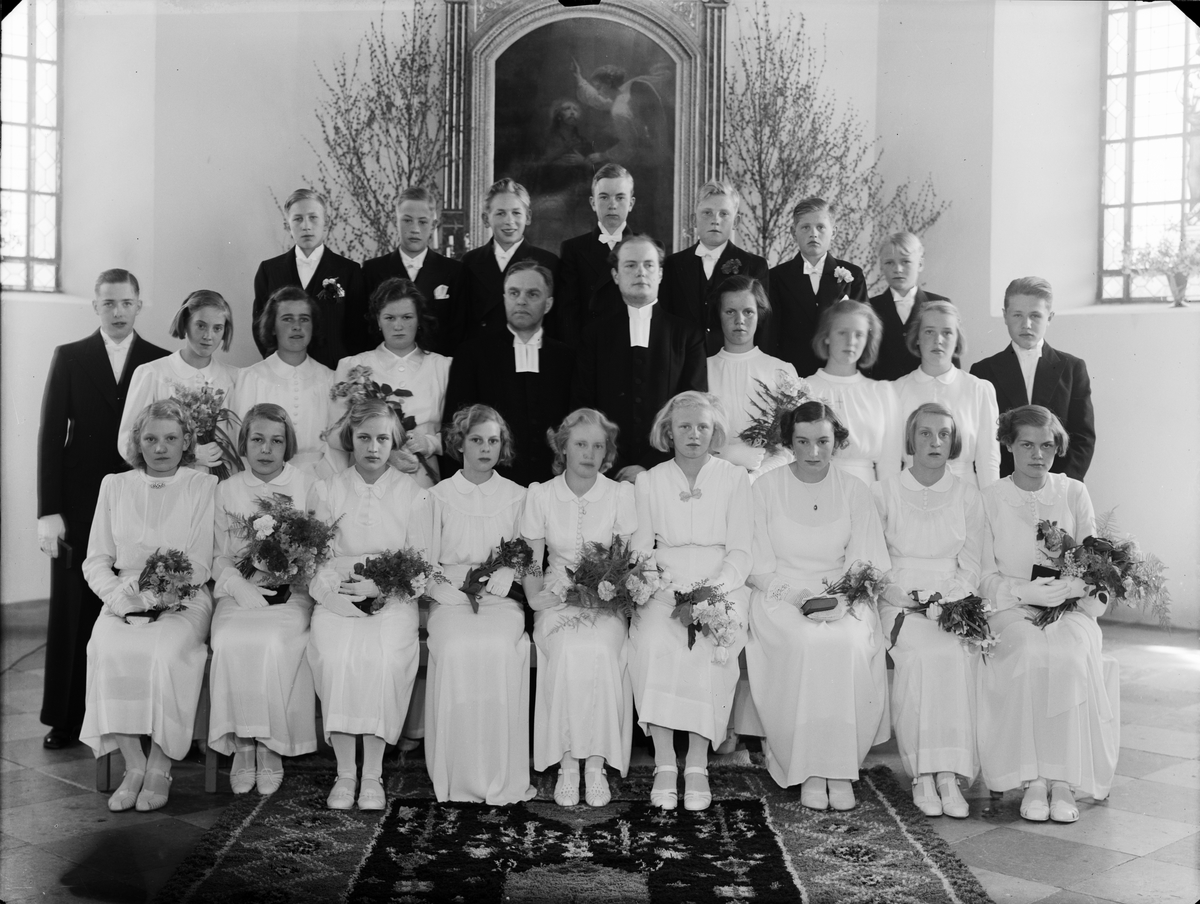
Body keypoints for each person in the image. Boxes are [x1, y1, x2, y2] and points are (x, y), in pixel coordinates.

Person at [36, 269, 170, 750]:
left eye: (126, 303)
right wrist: (48, 511)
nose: (118, 312)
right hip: (80, 500)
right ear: (95, 306)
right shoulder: (70, 356)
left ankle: (140, 719)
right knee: (74, 606)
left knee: (139, 598)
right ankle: (66, 717)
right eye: (109, 303)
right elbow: (51, 434)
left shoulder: (159, 360)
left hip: (139, 495)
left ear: (139, 305)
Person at [744, 401, 891, 809]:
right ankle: (807, 768)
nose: (813, 452)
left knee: (845, 643)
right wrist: (797, 598)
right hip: (780, 596)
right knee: (805, 643)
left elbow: (865, 560)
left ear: (836, 442)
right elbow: (757, 566)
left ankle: (839, 768)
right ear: (789, 442)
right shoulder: (765, 488)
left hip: (842, 594)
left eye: (823, 441)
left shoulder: (854, 490)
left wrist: (842, 599)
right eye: (803, 441)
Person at [977, 405, 1116, 823]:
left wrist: (1073, 588)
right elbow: (981, 573)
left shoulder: (1073, 492)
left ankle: (1063, 780)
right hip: (1011, 606)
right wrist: (1021, 591)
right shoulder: (990, 498)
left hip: (1070, 607)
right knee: (1028, 651)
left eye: (1048, 446)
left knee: (1069, 656)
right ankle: (1032, 779)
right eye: (1027, 445)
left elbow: (1094, 561)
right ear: (1008, 445)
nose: (1038, 455)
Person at [81, 399, 217, 812]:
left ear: (186, 442)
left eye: (171, 438)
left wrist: (157, 596)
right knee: (107, 649)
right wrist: (120, 598)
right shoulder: (114, 485)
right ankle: (134, 765)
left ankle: (160, 766)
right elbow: (96, 559)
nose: (160, 448)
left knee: (164, 652)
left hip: (184, 596)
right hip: (123, 595)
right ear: (137, 442)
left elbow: (199, 562)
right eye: (151, 439)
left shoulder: (201, 485)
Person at [629, 393, 753, 811]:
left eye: (702, 426)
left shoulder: (734, 478)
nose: (694, 434)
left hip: (722, 582)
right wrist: (658, 584)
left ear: (714, 431)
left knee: (708, 648)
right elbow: (641, 547)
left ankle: (697, 764)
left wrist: (716, 589)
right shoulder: (650, 481)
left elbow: (742, 549)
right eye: (684, 426)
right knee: (653, 641)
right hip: (664, 584)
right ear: (668, 431)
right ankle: (665, 762)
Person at [306, 399, 432, 810]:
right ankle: (346, 772)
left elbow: (421, 564)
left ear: (394, 441)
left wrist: (381, 586)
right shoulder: (326, 489)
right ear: (351, 440)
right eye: (364, 438)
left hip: (392, 595)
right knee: (337, 655)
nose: (373, 447)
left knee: (384, 657)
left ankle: (373, 773)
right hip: (338, 591)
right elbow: (315, 560)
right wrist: (332, 596)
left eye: (382, 438)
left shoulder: (413, 494)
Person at [519, 409, 637, 807]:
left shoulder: (620, 495)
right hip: (555, 596)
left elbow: (625, 561)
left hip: (605, 600)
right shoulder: (541, 494)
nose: (589, 453)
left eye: (598, 446)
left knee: (600, 650)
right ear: (563, 448)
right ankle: (569, 764)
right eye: (581, 444)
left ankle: (596, 764)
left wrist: (605, 592)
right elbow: (530, 559)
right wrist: (534, 596)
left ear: (607, 452)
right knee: (568, 650)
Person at [873, 403, 984, 818]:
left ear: (953, 442)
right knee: (921, 656)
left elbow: (972, 564)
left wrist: (949, 599)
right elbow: (874, 559)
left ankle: (949, 774)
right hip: (897, 600)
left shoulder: (967, 494)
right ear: (911, 439)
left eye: (943, 434)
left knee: (953, 653)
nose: (935, 442)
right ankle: (922, 772)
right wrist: (903, 595)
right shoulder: (883, 491)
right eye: (925, 433)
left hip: (951, 598)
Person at [423, 405, 537, 804]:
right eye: (476, 440)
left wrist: (512, 569)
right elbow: (422, 557)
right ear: (460, 443)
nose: (485, 448)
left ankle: (499, 775)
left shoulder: (519, 496)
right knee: (456, 648)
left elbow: (531, 555)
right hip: (451, 597)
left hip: (500, 599)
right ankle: (458, 776)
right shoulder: (437, 496)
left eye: (493, 440)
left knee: (498, 649)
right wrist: (437, 586)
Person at [208, 404, 318, 796]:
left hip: (291, 591)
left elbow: (318, 547)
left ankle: (270, 745)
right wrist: (236, 584)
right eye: (257, 439)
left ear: (288, 445)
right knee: (229, 641)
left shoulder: (306, 484)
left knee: (272, 643)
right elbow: (217, 554)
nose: (266, 449)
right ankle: (242, 743)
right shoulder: (227, 489)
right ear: (244, 444)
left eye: (276, 441)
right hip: (241, 590)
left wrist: (293, 568)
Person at [573, 235, 707, 482]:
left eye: (648, 265)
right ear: (615, 275)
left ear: (660, 274)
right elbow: (584, 406)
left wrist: (649, 466)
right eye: (630, 265)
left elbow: (693, 409)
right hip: (606, 471)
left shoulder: (687, 335)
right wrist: (615, 465)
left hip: (669, 470)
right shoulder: (594, 335)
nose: (640, 272)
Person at [444, 261, 574, 487]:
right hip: (489, 488)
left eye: (532, 294)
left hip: (554, 487)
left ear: (548, 304)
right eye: (514, 293)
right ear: (504, 298)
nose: (521, 301)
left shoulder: (567, 358)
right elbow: (456, 431)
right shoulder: (473, 354)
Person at [970, 277, 1095, 480]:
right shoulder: (983, 371)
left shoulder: (1072, 369)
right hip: (1003, 484)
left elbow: (1083, 437)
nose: (1026, 324)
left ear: (1050, 317)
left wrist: (1060, 486)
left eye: (1035, 315)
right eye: (1017, 315)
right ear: (1005, 316)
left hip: (1057, 484)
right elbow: (979, 440)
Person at [330, 278, 451, 488]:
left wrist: (431, 443)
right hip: (368, 481)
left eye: (407, 317)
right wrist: (383, 448)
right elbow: (335, 435)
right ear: (378, 320)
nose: (398, 326)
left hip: (424, 481)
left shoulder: (443, 367)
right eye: (389, 317)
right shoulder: (354, 366)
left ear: (419, 319)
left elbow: (460, 433)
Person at [118, 290, 240, 472]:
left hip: (221, 481)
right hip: (167, 480)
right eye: (201, 326)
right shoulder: (152, 373)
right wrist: (188, 454)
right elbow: (127, 442)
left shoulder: (233, 378)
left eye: (217, 328)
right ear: (185, 324)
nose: (208, 336)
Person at [251, 188, 364, 367]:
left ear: (326, 223)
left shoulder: (349, 270)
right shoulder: (269, 270)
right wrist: (276, 362)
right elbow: (260, 326)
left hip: (334, 371)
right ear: (288, 225)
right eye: (298, 219)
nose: (306, 226)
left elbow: (357, 329)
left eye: (313, 217)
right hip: (285, 369)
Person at [894, 301, 1001, 489]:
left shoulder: (979, 389)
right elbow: (890, 459)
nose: (938, 340)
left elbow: (988, 459)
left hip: (964, 492)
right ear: (917, 337)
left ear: (957, 339)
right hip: (910, 491)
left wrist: (991, 502)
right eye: (929, 331)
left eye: (947, 332)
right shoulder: (896, 390)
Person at [232, 287, 335, 478]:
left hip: (320, 479)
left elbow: (337, 448)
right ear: (272, 326)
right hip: (264, 478)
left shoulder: (329, 379)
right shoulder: (251, 378)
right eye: (287, 319)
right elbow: (240, 443)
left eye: (304, 319)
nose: (297, 326)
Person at [659, 180, 769, 353]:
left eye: (724, 214)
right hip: (685, 359)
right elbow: (665, 321)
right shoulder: (673, 264)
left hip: (733, 359)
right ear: (694, 219)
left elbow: (762, 325)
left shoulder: (754, 265)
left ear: (736, 221)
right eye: (707, 213)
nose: (715, 220)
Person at [705, 276, 798, 476]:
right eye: (730, 311)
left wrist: (758, 475)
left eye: (748, 312)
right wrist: (723, 454)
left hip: (769, 480)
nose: (739, 320)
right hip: (713, 477)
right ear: (719, 314)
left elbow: (791, 443)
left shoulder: (781, 370)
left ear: (759, 314)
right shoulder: (703, 369)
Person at [767, 197, 868, 377]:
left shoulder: (853, 275)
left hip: (837, 371)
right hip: (792, 374)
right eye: (805, 227)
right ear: (793, 233)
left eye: (820, 227)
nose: (813, 234)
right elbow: (771, 333)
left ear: (833, 232)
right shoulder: (776, 277)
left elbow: (863, 328)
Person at [806, 300, 903, 485]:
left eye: (859, 334)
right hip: (815, 487)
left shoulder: (882, 393)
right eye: (842, 333)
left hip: (866, 489)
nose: (850, 342)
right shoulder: (805, 389)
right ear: (826, 336)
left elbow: (890, 464)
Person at [455, 178, 559, 349]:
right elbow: (461, 322)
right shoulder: (470, 261)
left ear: (528, 217)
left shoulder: (548, 262)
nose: (509, 221)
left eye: (516, 213)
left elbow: (555, 323)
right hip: (482, 355)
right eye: (500, 213)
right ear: (486, 219)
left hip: (530, 353)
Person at [360, 187, 462, 357]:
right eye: (407, 220)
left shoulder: (453, 271)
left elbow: (459, 330)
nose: (415, 229)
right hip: (385, 364)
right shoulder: (373, 270)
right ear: (396, 221)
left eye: (422, 222)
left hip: (437, 365)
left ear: (433, 225)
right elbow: (364, 328)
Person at [552, 164, 637, 348]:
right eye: (604, 197)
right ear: (592, 203)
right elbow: (567, 313)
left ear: (631, 203)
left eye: (620, 197)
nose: (612, 205)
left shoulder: (646, 248)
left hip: (633, 347)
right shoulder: (574, 249)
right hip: (590, 350)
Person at [866, 232, 948, 382]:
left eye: (905, 261)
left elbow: (950, 360)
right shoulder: (869, 308)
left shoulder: (940, 304)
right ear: (881, 266)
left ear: (920, 264)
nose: (897, 269)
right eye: (889, 262)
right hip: (883, 390)